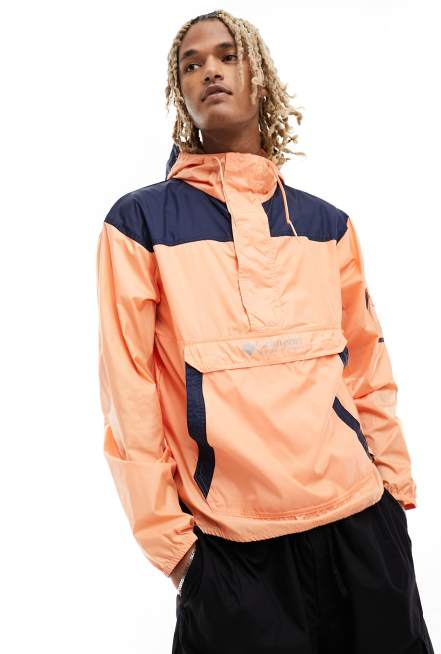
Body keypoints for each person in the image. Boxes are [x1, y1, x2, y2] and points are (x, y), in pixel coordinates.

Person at [96, 9, 435, 653]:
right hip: (231, 548)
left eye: (228, 56)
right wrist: (175, 550)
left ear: (261, 75)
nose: (209, 71)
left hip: (361, 528)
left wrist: (394, 490)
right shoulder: (138, 224)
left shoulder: (326, 225)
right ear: (178, 91)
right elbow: (128, 391)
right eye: (191, 64)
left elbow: (366, 367)